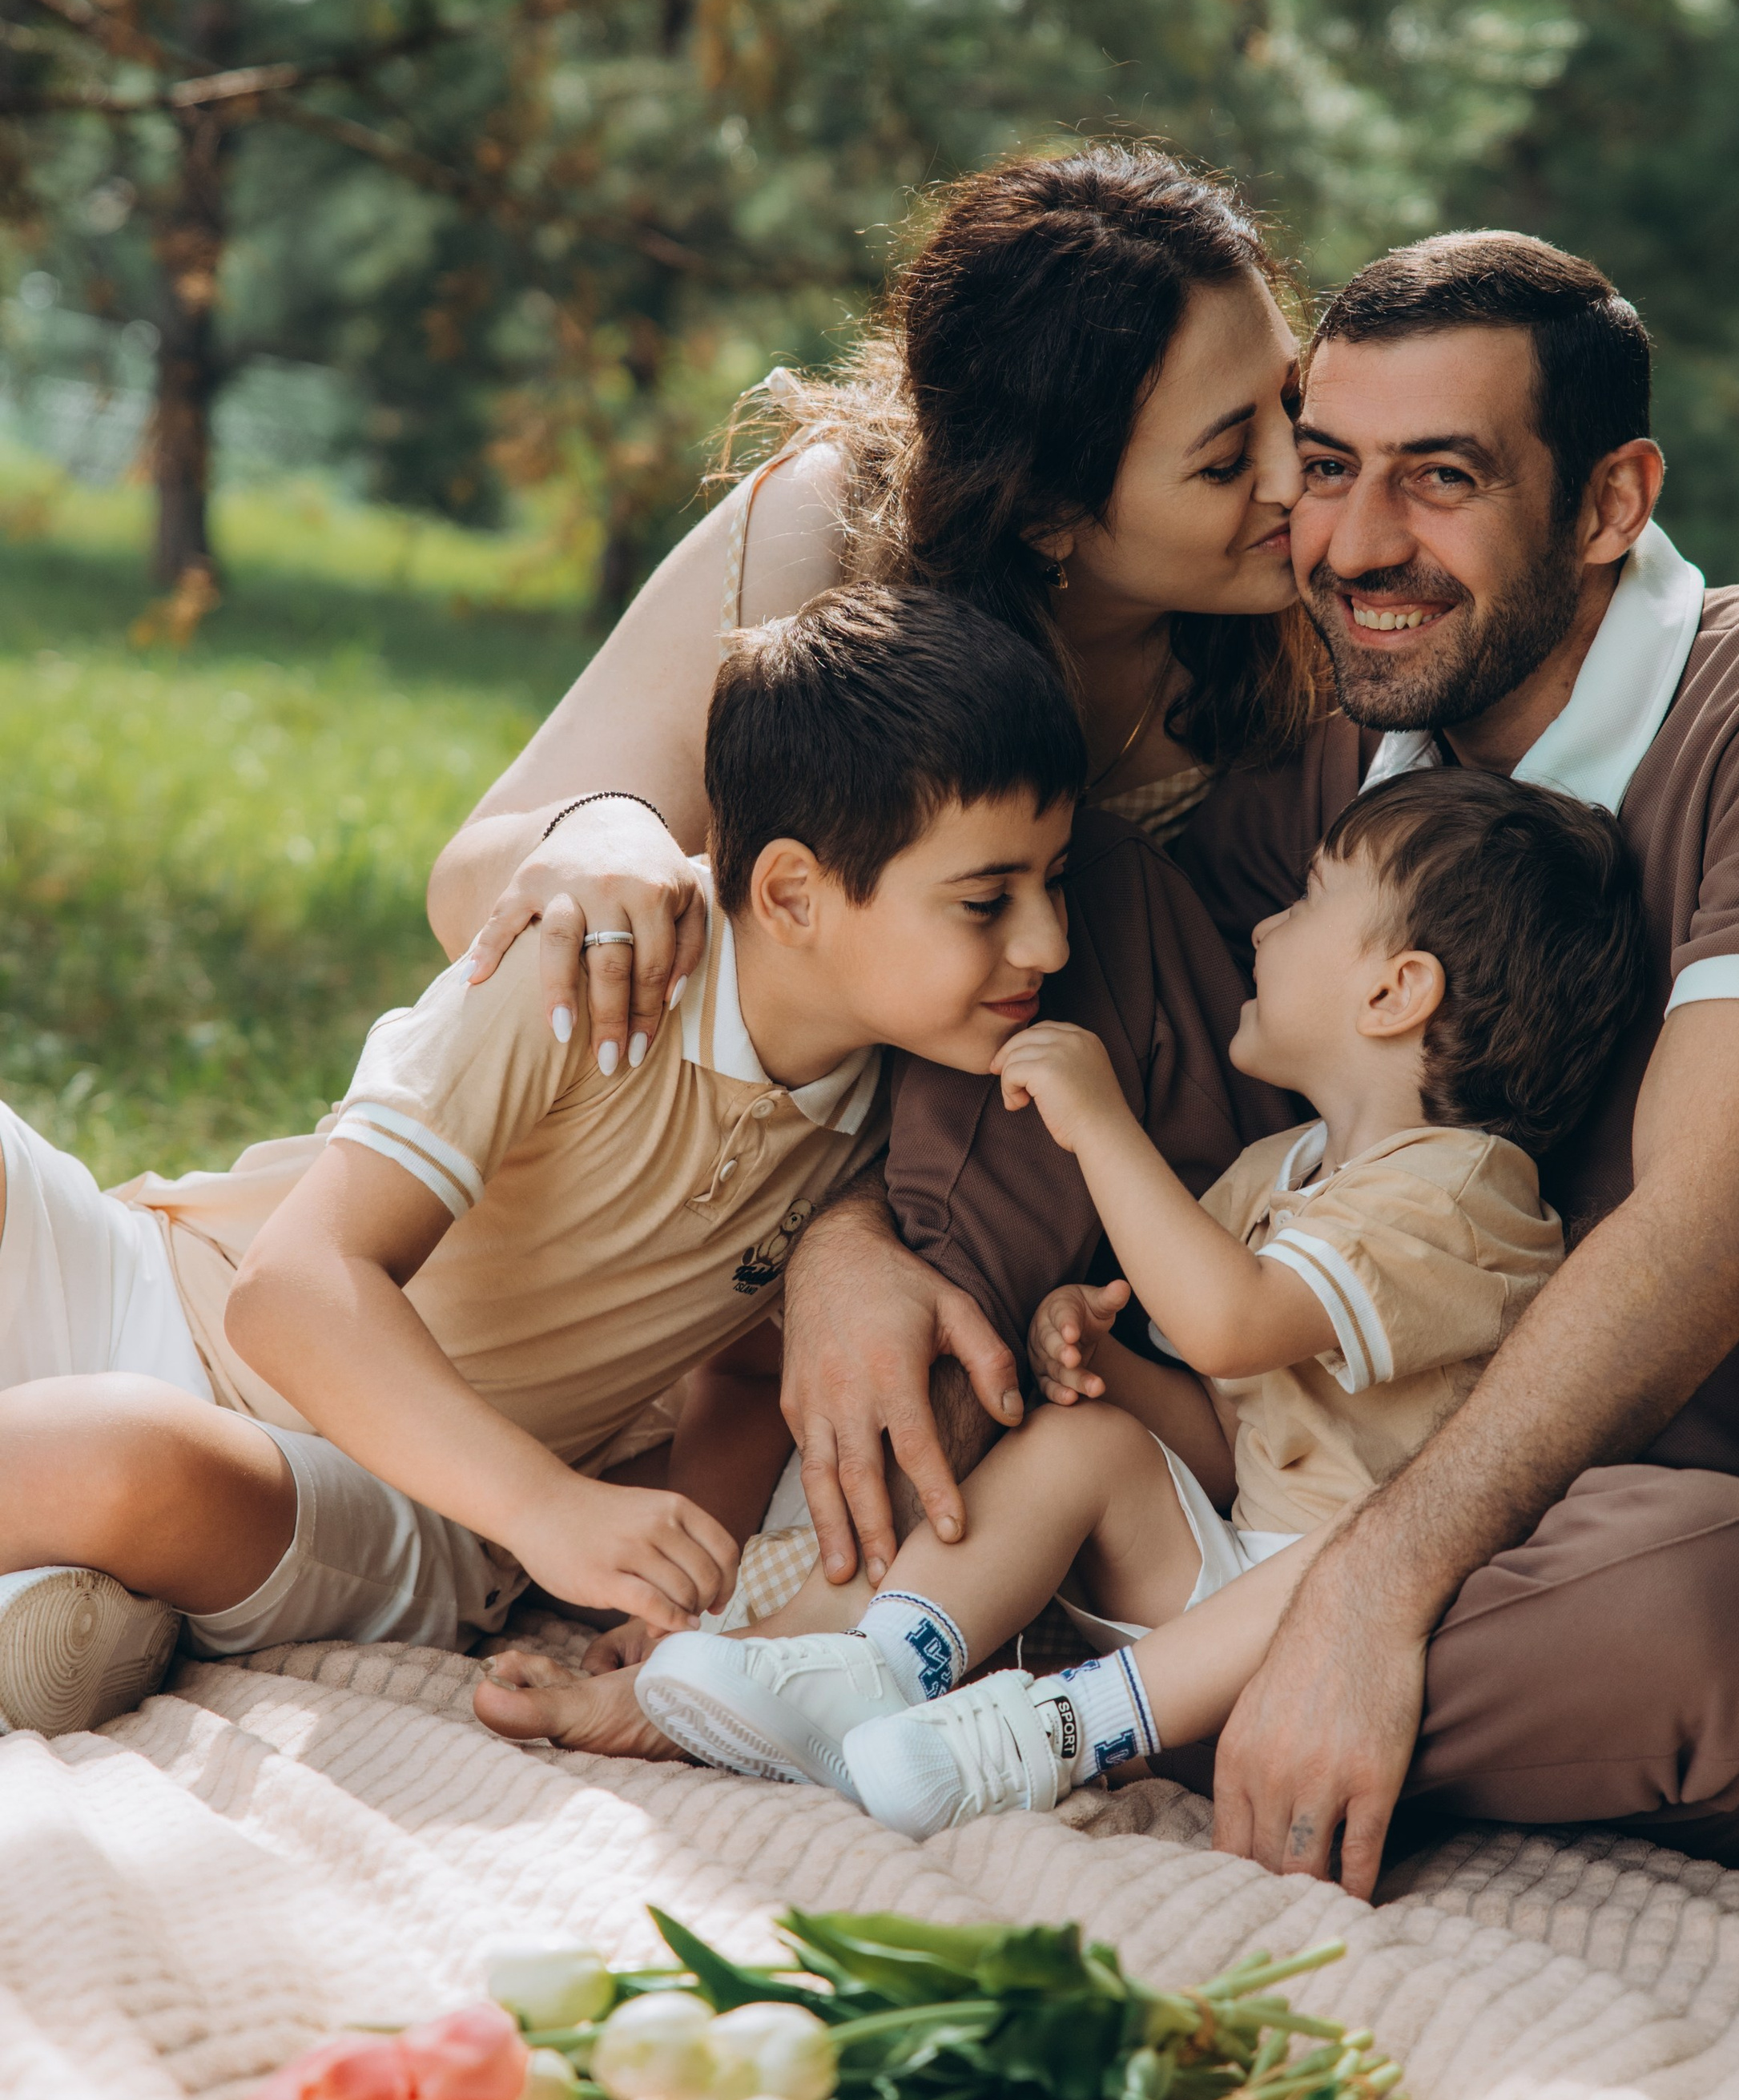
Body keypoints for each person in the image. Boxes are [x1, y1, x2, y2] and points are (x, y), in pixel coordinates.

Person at [733, 229, 1739, 1900]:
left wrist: (1376, 1587)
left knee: (1695, 1598)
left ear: (1605, 502)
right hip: (1318, 1463)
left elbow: (1706, 1234)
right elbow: (1092, 1032)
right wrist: (850, 1247)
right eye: (1329, 468)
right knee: (1069, 917)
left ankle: (1067, 1650)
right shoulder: (1352, 745)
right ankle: (860, 1591)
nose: (1355, 544)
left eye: (1439, 481)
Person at [428, 145, 1347, 1587]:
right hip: (695, 1203)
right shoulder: (828, 531)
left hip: (1085, 1245)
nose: (1303, 480)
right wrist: (601, 830)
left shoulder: (1315, 626)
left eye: (1292, 402)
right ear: (1048, 511)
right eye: (1229, 457)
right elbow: (475, 882)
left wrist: (850, 1240)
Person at [472, 768, 1648, 1829]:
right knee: (1082, 1439)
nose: (1266, 928)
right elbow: (1227, 1434)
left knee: (1339, 1553)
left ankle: (1042, 1737)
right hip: (1212, 1577)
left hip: (1324, 1636)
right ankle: (874, 1668)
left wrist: (1102, 1126)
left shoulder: (1466, 1197)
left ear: (1396, 992)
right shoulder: (1280, 1173)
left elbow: (1230, 1322)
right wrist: (1109, 1369)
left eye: (1306, 905)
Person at [0, 591, 1082, 1734]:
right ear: (792, 895)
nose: (1049, 944)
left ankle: (76, 1563)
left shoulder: (886, 1125)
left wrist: (667, 1583)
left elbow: (754, 1368)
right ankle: (55, 1592)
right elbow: (291, 1288)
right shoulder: (597, 970)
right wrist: (555, 1506)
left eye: (1056, 883)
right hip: (150, 1280)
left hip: (391, 1497)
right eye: (987, 900)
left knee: (111, 1455)